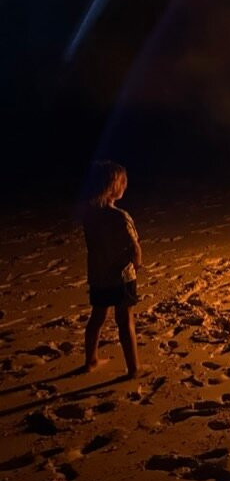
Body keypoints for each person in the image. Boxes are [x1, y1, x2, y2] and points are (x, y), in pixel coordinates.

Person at [79, 160, 143, 377]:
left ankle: (90, 361)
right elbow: (134, 247)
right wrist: (137, 264)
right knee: (125, 321)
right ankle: (134, 369)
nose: (125, 186)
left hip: (98, 275)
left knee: (97, 317)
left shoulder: (89, 215)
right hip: (121, 277)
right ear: (113, 187)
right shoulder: (120, 217)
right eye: (123, 183)